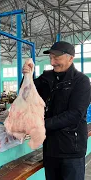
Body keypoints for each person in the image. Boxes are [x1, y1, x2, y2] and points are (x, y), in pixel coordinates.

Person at [22, 41, 91, 180]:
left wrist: (41, 125)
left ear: (70, 58)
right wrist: (27, 76)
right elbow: (25, 95)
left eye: (57, 58)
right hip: (51, 149)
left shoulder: (81, 81)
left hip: (71, 150)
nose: (52, 62)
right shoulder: (47, 78)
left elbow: (75, 114)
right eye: (51, 58)